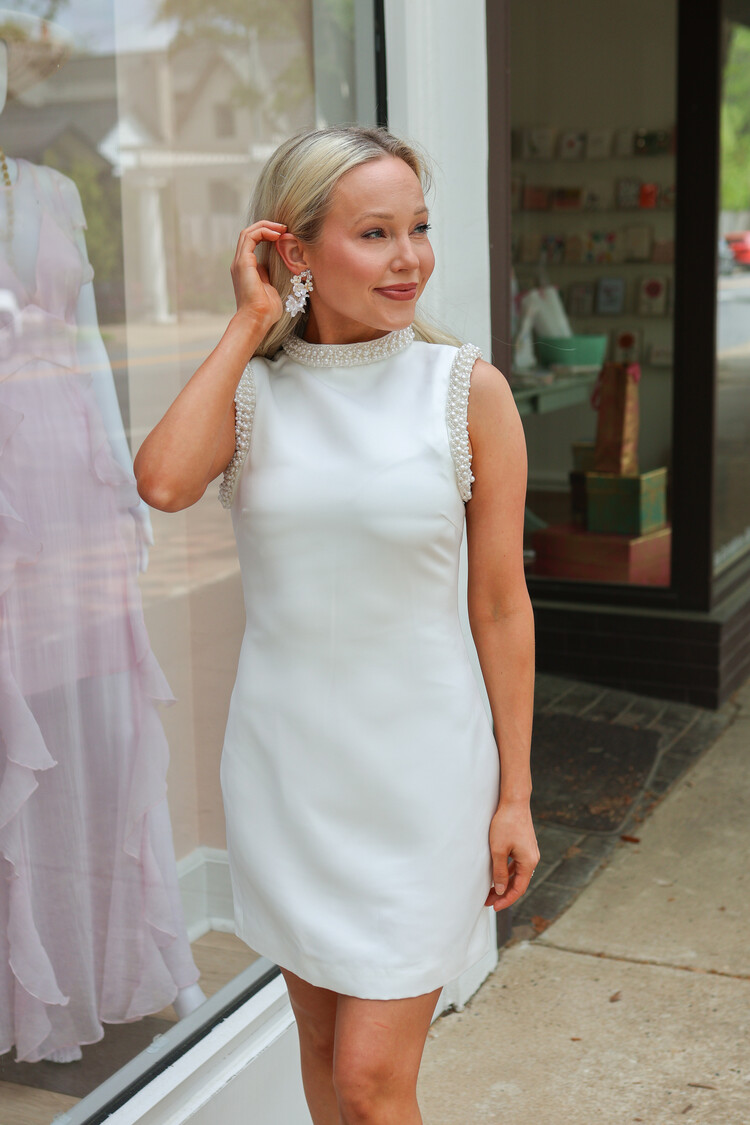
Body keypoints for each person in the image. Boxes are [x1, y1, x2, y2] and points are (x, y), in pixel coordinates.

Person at [135, 125, 539, 1125]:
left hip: (423, 781)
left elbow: (500, 605)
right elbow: (164, 482)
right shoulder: (253, 393)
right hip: (286, 774)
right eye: (374, 233)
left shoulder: (466, 391)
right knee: (322, 1059)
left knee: (369, 1080)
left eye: (419, 228)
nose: (409, 259)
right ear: (297, 249)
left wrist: (515, 795)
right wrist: (250, 322)